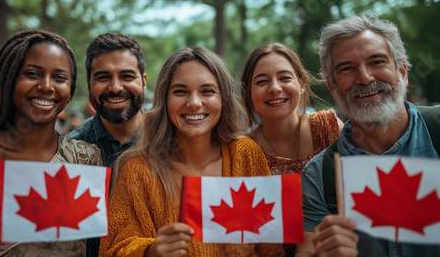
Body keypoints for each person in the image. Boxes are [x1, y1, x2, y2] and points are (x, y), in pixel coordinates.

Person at [99, 47, 284, 256]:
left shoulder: (246, 154)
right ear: (164, 100)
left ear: (223, 99)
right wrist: (149, 252)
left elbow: (272, 247)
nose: (194, 103)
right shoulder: (138, 169)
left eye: (207, 91)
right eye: (180, 92)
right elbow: (113, 248)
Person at [0, 30, 102, 256]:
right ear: (8, 79)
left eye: (59, 77)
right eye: (33, 73)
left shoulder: (86, 159)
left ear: (71, 89)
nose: (47, 86)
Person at [297, 14, 440, 257]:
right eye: (347, 69)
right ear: (333, 87)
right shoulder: (319, 176)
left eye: (376, 62)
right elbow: (308, 252)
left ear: (403, 72)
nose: (364, 78)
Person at [241, 43, 344, 256]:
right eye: (262, 81)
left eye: (285, 78)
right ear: (248, 91)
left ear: (302, 83)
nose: (274, 88)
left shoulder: (330, 129)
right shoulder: (242, 152)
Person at [67, 32, 146, 256]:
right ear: (89, 84)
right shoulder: (68, 153)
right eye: (103, 77)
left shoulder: (172, 141)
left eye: (127, 76)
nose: (115, 87)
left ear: (144, 81)